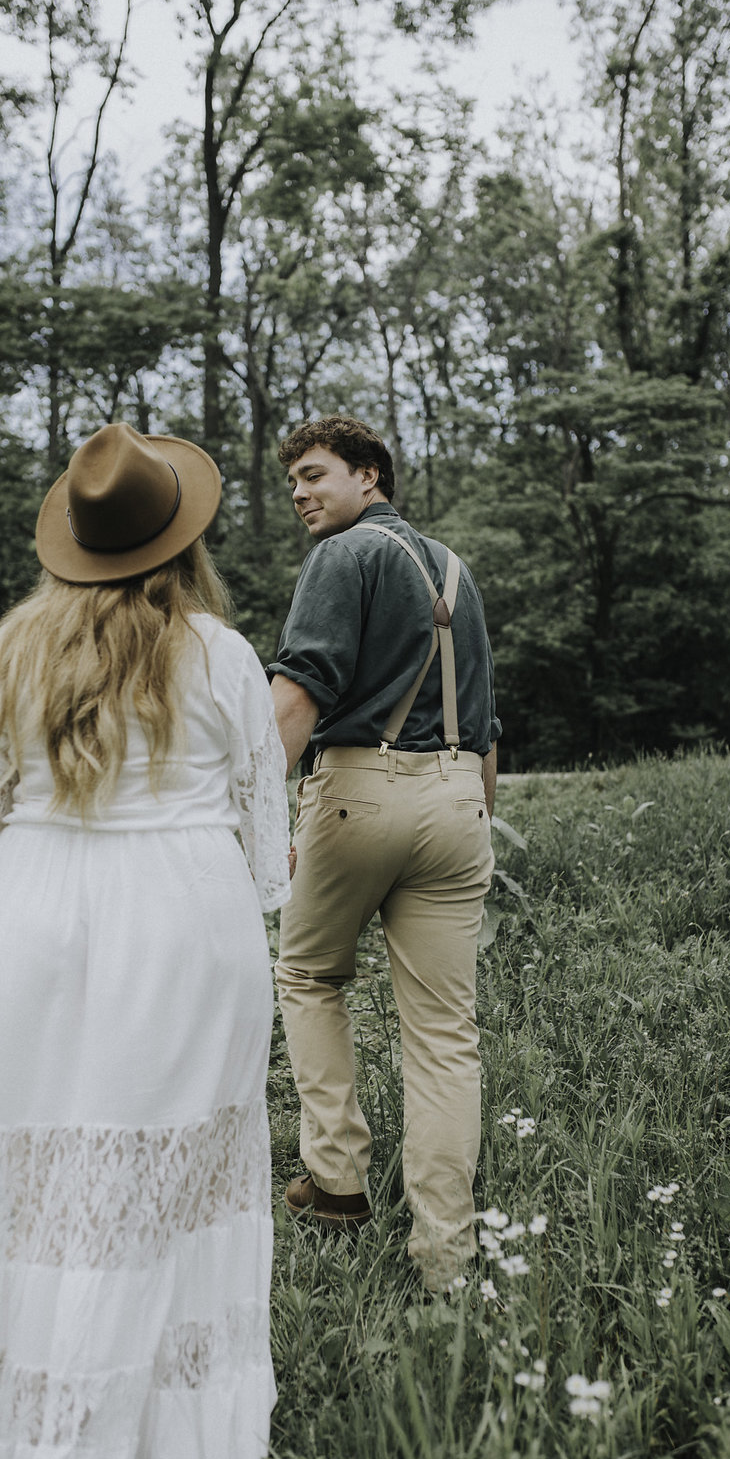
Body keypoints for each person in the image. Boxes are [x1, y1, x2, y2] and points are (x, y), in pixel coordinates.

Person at [0, 423, 292, 1459]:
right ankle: (153, 1441)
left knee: (32, 1173)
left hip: (36, 913)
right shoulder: (224, 655)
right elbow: (262, 819)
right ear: (182, 542)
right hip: (189, 919)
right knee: (168, 1175)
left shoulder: (15, 647)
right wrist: (251, 920)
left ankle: (27, 1430)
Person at [267, 414, 500, 1291]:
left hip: (359, 791)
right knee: (445, 1034)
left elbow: (299, 697)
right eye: (292, 480)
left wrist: (246, 819)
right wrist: (479, 822)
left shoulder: (343, 556)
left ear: (371, 479)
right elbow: (485, 726)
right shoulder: (456, 570)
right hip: (456, 802)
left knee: (309, 976)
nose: (300, 493)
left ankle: (336, 1184)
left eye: (315, 475)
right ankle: (447, 1256)